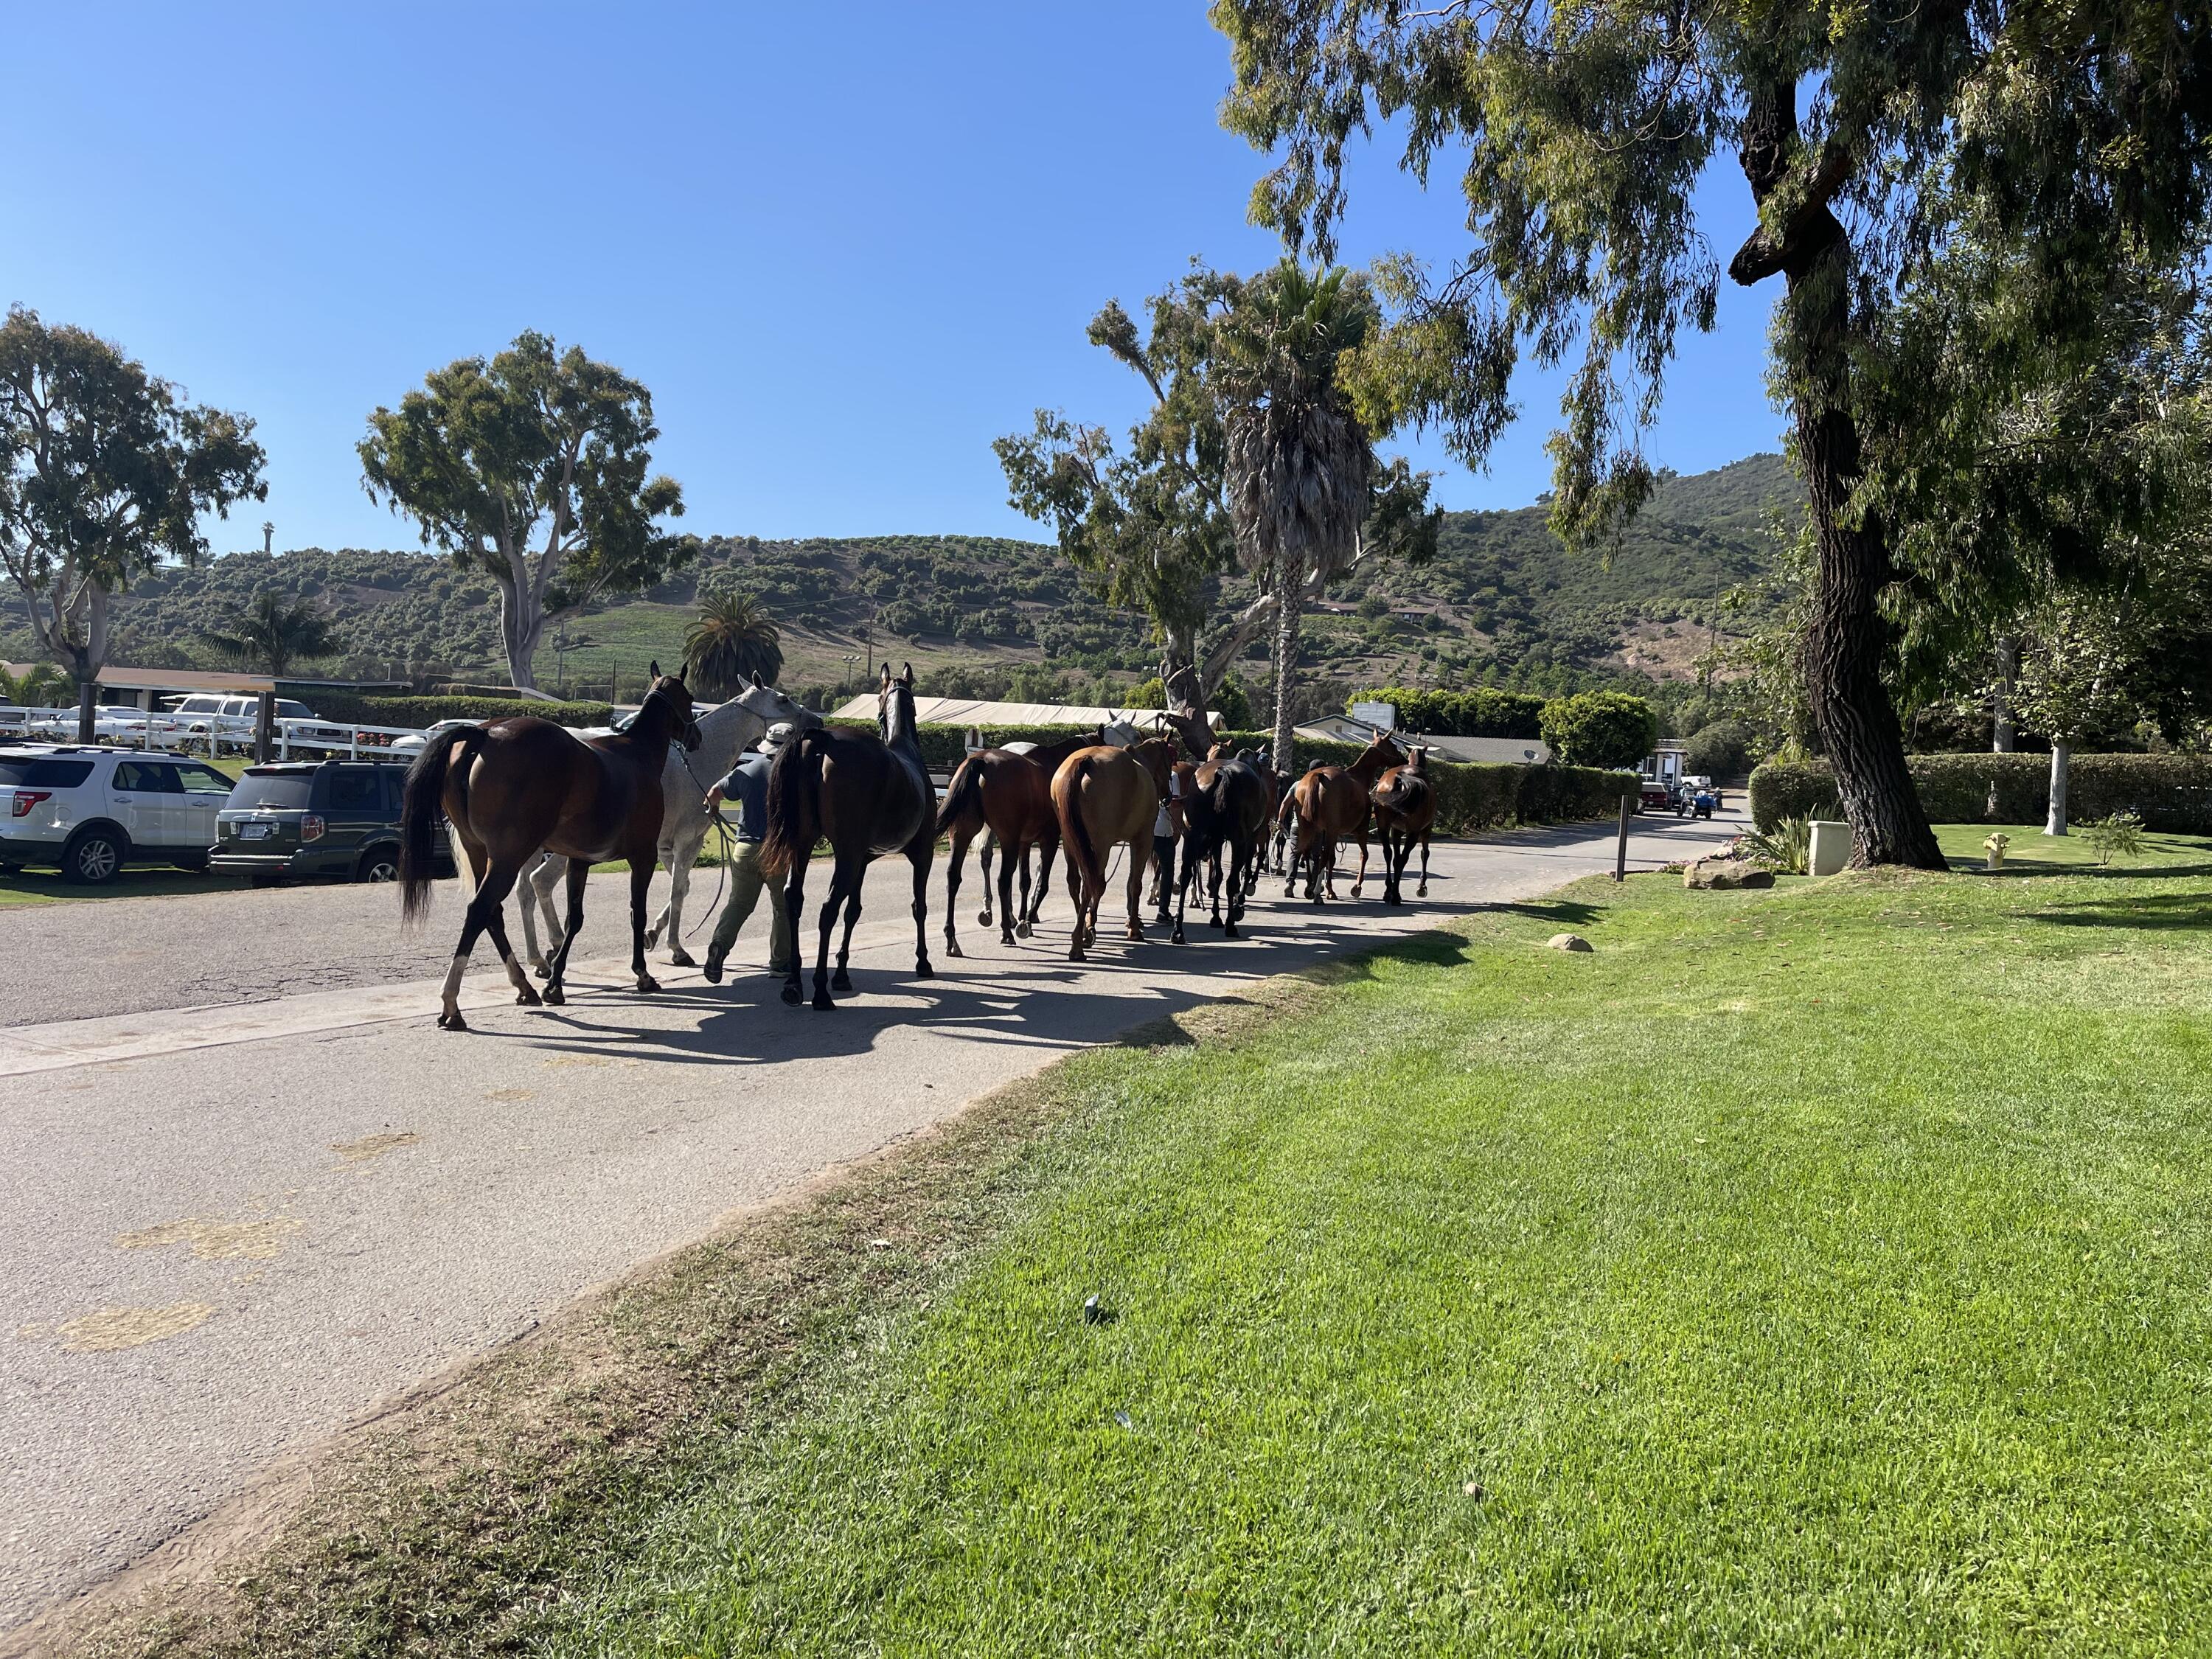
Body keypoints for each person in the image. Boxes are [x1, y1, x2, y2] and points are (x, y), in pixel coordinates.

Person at [700, 722, 799, 984]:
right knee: (782, 907)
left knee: (739, 904)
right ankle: (779, 963)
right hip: (776, 850)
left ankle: (719, 944)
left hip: (743, 848)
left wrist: (713, 811)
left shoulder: (747, 770)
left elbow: (713, 794)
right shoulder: (793, 774)